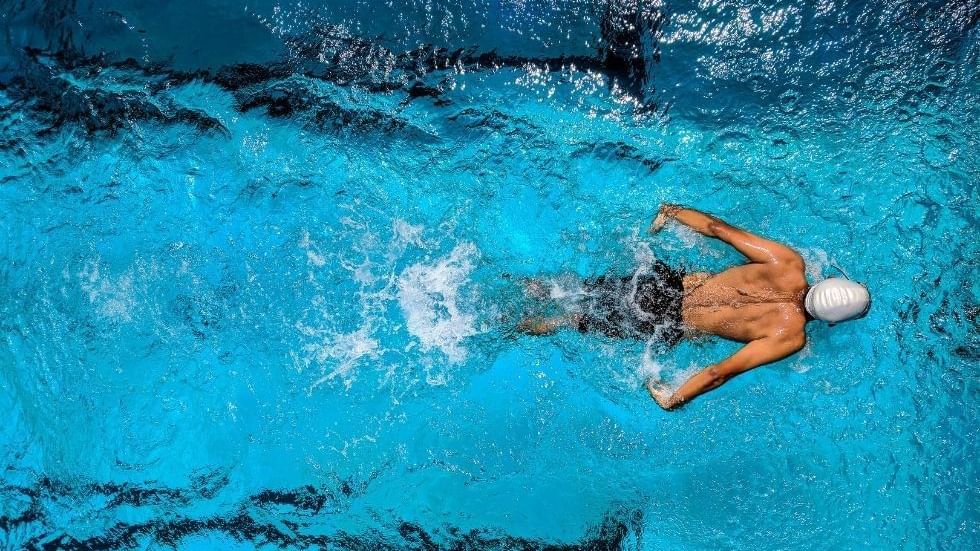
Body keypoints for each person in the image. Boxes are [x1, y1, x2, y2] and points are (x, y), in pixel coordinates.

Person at [517, 205, 870, 410]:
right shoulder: (791, 337)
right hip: (667, 323)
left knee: (569, 290)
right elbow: (720, 372)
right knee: (571, 319)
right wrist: (674, 398)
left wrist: (672, 212)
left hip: (663, 283)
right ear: (832, 322)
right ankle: (510, 326)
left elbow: (718, 229)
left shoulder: (789, 263)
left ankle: (519, 284)